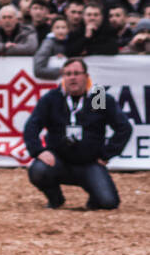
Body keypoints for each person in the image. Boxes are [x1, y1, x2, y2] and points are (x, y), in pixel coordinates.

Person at [23, 58, 131, 210]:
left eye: (76, 73)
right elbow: (31, 127)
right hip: (58, 161)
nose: (72, 77)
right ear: (63, 77)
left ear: (86, 76)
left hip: (89, 164)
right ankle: (55, 199)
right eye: (67, 74)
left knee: (108, 203)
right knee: (38, 170)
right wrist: (38, 151)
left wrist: (107, 154)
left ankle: (94, 197)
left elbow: (124, 127)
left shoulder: (97, 97)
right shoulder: (52, 98)